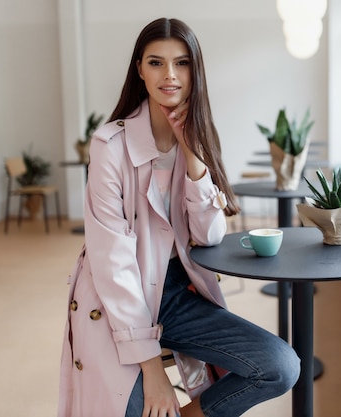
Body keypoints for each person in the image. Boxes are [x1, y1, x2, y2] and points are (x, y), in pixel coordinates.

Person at [58, 17, 300, 417]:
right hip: (116, 298)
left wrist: (192, 157)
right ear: (139, 69)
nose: (169, 75)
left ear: (194, 70)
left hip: (175, 293)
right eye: (156, 63)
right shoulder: (109, 147)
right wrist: (152, 370)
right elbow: (114, 266)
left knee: (279, 365)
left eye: (181, 63)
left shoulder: (198, 138)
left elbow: (208, 236)